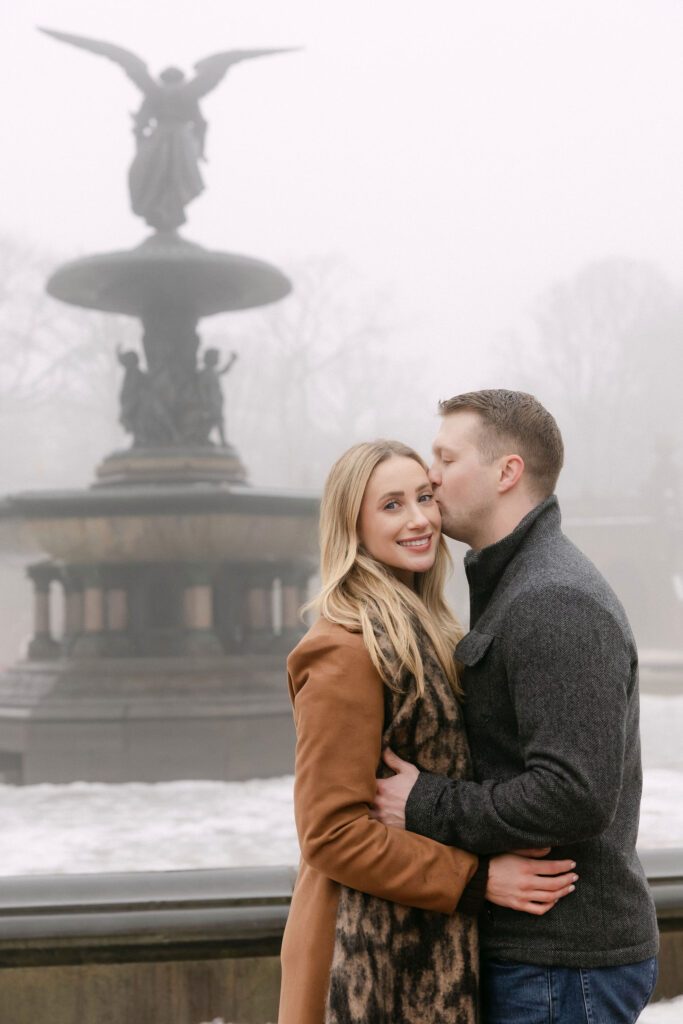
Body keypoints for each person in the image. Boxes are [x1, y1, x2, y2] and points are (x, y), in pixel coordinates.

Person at [370, 391, 659, 1024]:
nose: (431, 474)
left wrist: (425, 803)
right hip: (546, 956)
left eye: (446, 457)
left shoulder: (553, 599)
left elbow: (573, 794)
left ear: (507, 472)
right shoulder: (516, 583)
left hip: (561, 963)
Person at [279, 439, 578, 1024]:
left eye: (424, 497)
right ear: (354, 526)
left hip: (420, 949)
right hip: (358, 962)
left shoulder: (429, 631)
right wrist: (479, 879)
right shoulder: (345, 649)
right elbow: (330, 833)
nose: (419, 519)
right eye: (391, 505)